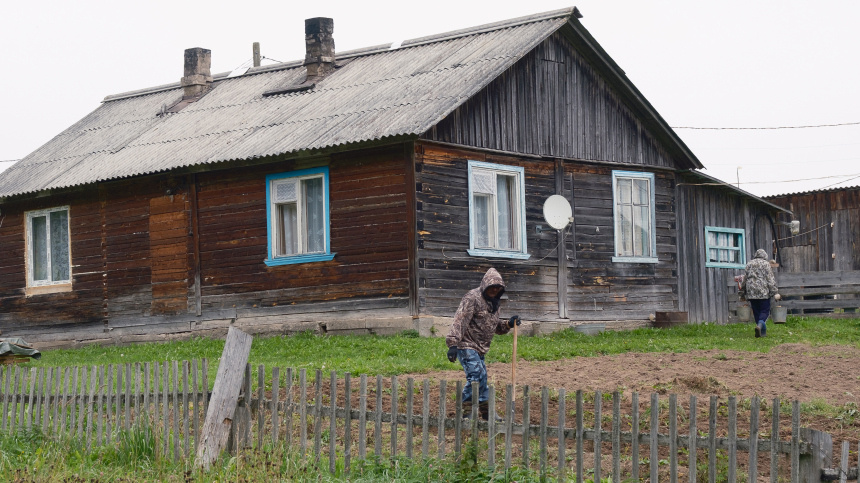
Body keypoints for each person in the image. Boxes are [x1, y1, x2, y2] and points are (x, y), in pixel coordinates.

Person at [446, 268, 520, 421]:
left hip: (480, 348)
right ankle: (466, 413)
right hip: (466, 344)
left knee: (483, 378)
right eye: (491, 287)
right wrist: (453, 343)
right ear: (485, 285)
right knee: (476, 375)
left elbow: (494, 326)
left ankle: (486, 413)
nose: (494, 290)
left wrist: (508, 324)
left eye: (497, 288)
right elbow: (460, 319)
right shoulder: (472, 298)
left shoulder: (494, 303)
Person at [740, 248, 780, 338]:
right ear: (765, 256)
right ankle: (760, 324)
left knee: (756, 311)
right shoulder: (766, 264)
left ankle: (761, 332)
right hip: (763, 291)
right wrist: (775, 292)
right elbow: (770, 279)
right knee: (765, 311)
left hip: (751, 292)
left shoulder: (749, 263)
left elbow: (744, 279)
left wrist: (742, 293)